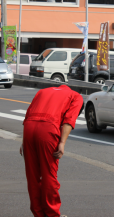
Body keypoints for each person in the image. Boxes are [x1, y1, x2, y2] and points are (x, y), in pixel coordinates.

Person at [20, 85, 83, 217]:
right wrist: (62, 143)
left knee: (33, 176)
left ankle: (38, 213)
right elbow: (69, 120)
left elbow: (29, 114)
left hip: (29, 128)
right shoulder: (76, 97)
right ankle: (52, 214)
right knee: (49, 175)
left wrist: (23, 142)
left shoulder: (42, 91)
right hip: (48, 129)